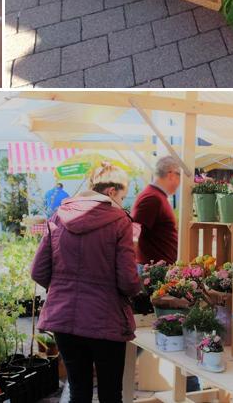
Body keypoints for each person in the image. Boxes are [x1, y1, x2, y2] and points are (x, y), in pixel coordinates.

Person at [30, 163, 141, 403]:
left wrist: (63, 287)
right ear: (112, 191)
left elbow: (38, 271)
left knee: (78, 391)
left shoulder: (59, 216)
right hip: (106, 320)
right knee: (110, 394)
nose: (123, 202)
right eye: (123, 196)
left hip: (64, 318)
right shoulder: (120, 221)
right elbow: (128, 281)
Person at [132, 156, 181, 266]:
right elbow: (133, 234)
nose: (180, 183)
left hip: (157, 269)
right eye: (179, 176)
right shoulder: (152, 198)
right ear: (171, 175)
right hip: (152, 271)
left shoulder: (157, 196)